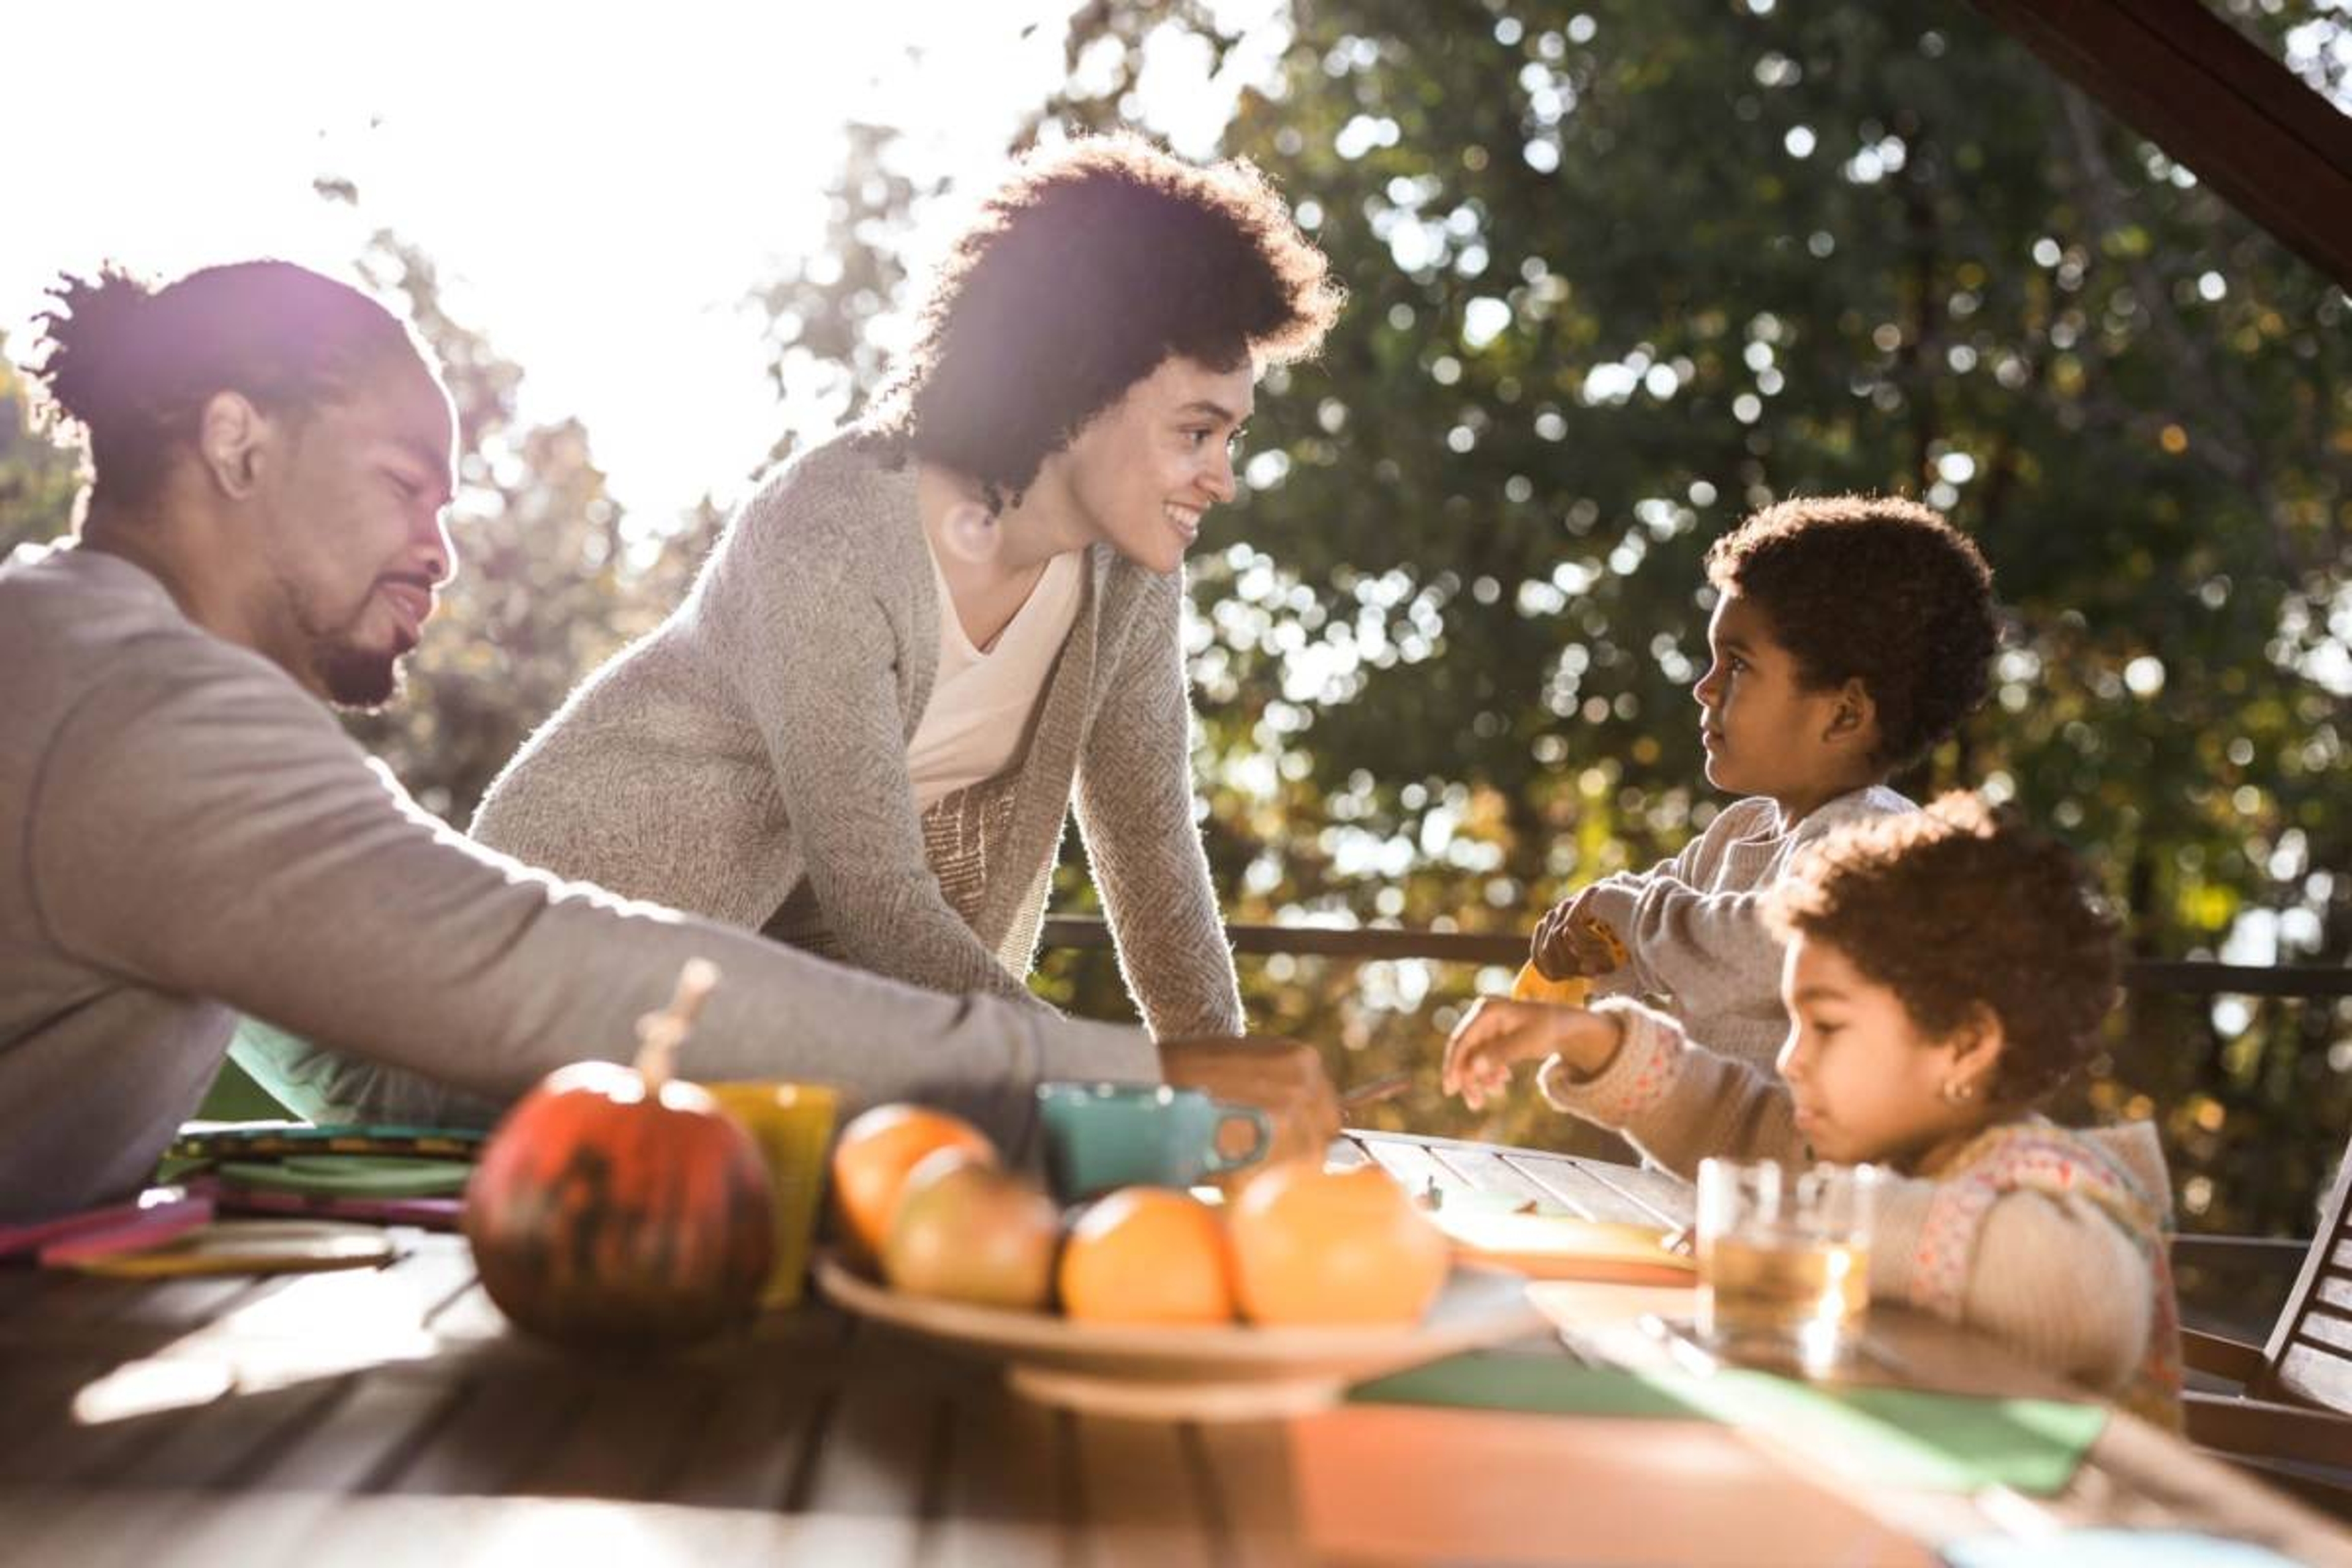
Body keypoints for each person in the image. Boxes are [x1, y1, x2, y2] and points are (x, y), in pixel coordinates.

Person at [0, 258, 1338, 1225]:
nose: (442, 549)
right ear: (236, 442)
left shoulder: (93, 672)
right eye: (407, 484)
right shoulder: (136, 711)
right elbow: (532, 968)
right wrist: (1128, 1079)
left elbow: (354, 1005)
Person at [466, 132, 1340, 1029]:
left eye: (1232, 440)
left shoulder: (1129, 577)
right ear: (1080, 382)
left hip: (745, 1018)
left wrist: (1234, 1085)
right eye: (1196, 433)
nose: (1221, 480)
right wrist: (1082, 1067)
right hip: (535, 958)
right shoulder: (831, 528)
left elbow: (1154, 857)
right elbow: (876, 896)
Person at [1446, 794, 2180, 1424]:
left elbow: (2081, 1291)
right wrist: (1590, 1037)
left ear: (1965, 1043)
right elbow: (1739, 1121)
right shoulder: (1884, 1153)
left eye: (1826, 1025)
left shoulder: (2058, 1185)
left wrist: (1797, 1225)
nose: (1793, 1057)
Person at [1527, 496, 1999, 1070]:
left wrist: (1630, 920)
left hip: (1809, 1161)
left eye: (1738, 665)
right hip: (1705, 1161)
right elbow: (1662, 936)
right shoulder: (1737, 834)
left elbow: (1765, 944)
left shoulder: (1882, 846)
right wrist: (1593, 943)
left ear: (1845, 715)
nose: (1704, 687)